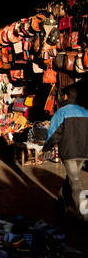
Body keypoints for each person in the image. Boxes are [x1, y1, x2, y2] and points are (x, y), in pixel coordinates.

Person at [43, 85, 88, 222]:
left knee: (76, 183)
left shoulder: (61, 112)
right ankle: (61, 205)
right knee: (72, 178)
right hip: (83, 152)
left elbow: (54, 133)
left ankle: (85, 215)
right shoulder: (84, 112)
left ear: (66, 96)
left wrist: (46, 148)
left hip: (70, 152)